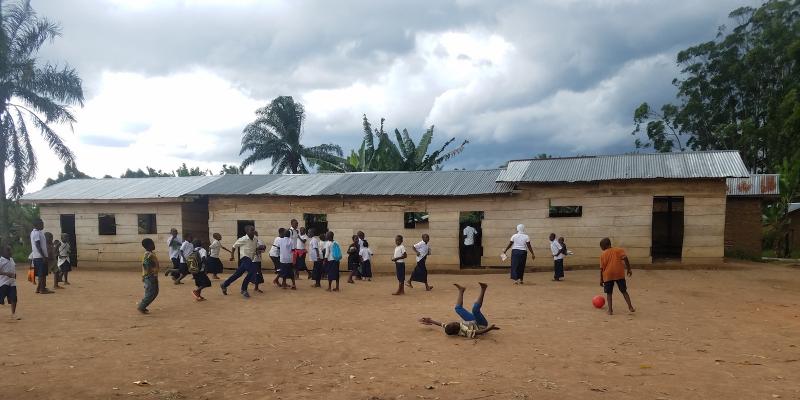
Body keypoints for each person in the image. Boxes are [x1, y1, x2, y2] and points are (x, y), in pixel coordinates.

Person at [419, 282, 499, 338]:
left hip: (473, 322)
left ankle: (461, 290)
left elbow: (442, 324)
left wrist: (431, 321)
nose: (455, 322)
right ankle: (483, 289)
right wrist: (489, 328)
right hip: (481, 325)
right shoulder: (464, 331)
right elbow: (478, 332)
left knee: (458, 309)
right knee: (475, 310)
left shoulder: (451, 327)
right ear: (457, 330)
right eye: (455, 324)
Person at [222, 225, 264, 298]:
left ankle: (224, 284)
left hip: (250, 258)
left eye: (253, 230)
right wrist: (232, 256)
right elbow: (234, 246)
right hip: (244, 257)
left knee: (237, 274)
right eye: (251, 230)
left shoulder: (255, 239)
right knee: (253, 270)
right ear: (247, 231)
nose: (253, 231)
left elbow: (254, 248)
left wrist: (259, 248)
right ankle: (244, 289)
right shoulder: (243, 239)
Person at [599, 238, 635, 315]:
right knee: (624, 291)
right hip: (619, 274)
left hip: (608, 275)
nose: (601, 248)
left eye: (601, 246)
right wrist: (629, 269)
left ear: (604, 246)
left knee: (609, 293)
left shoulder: (603, 254)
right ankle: (630, 306)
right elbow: (625, 258)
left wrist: (601, 279)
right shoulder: (619, 250)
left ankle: (610, 310)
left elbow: (601, 269)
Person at [30, 219, 52, 294]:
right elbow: (38, 245)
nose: (43, 225)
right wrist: (43, 256)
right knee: (42, 274)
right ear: (37, 225)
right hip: (39, 256)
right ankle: (42, 289)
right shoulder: (36, 233)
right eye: (41, 224)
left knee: (42, 273)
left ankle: (39, 288)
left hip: (40, 256)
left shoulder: (38, 232)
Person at [138, 238, 160, 314]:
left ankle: (143, 305)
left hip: (152, 276)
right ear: (147, 246)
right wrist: (150, 272)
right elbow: (145, 264)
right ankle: (142, 306)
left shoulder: (151, 253)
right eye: (152, 244)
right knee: (151, 293)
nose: (154, 245)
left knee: (155, 292)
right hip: (150, 277)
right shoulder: (148, 254)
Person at [0, 245, 20, 320]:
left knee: (14, 298)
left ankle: (13, 314)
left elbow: (12, 268)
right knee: (1, 299)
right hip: (3, 283)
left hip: (12, 283)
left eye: (10, 250)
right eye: (8, 250)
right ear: (3, 252)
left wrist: (14, 275)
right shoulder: (1, 261)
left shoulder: (11, 259)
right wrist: (6, 274)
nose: (10, 252)